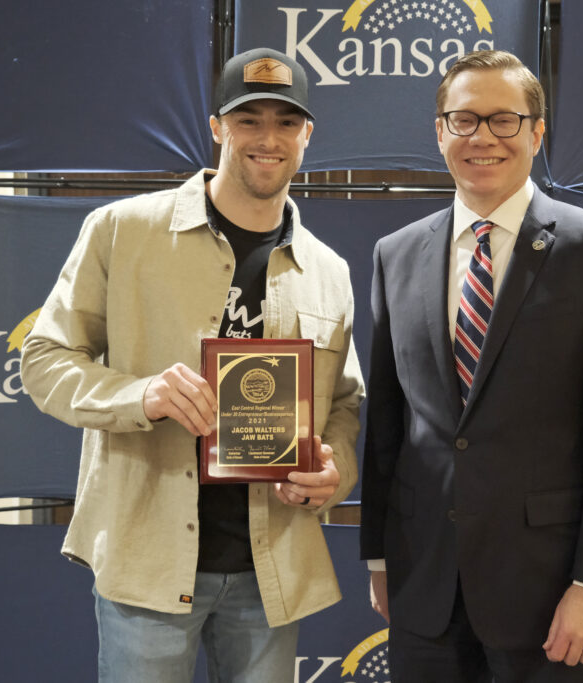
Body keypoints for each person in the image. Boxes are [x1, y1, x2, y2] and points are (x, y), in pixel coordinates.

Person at [21, 48, 364, 683]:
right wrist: (140, 396)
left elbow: (343, 403)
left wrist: (333, 471)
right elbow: (44, 361)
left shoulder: (328, 270)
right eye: (248, 119)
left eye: (286, 122)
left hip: (270, 567)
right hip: (148, 560)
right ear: (217, 128)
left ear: (307, 134)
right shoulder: (122, 230)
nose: (268, 139)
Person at [359, 50, 583, 682]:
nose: (483, 138)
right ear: (439, 131)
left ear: (537, 132)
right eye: (464, 120)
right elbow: (387, 425)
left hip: (551, 593)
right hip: (425, 586)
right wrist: (380, 558)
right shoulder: (394, 254)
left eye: (504, 120)